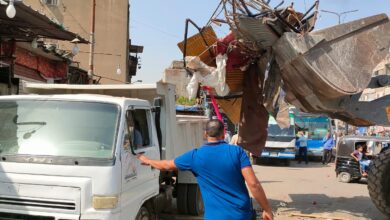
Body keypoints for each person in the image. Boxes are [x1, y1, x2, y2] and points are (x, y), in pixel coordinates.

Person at [137, 119, 273, 220]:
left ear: (205, 134)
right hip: (241, 215)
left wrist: (147, 160)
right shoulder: (237, 152)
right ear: (223, 133)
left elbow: (166, 165)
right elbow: (253, 184)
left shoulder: (195, 156)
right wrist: (267, 209)